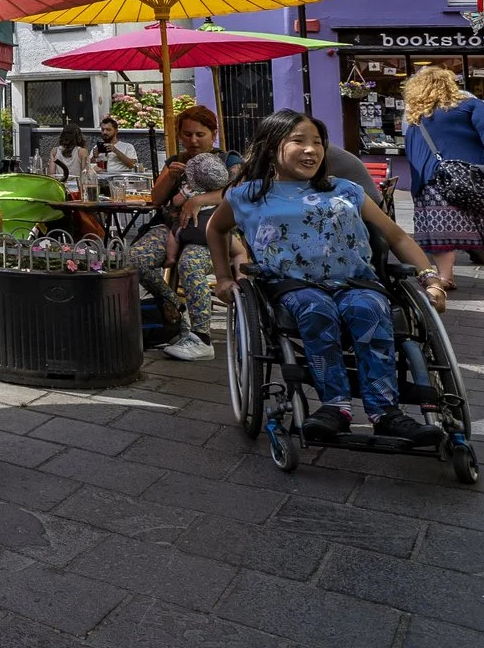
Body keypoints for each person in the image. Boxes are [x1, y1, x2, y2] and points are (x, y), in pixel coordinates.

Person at [208, 111, 441, 444]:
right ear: (272, 146)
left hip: (355, 282)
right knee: (317, 311)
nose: (311, 150)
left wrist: (430, 278)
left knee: (370, 311)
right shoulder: (249, 195)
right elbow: (215, 228)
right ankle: (335, 407)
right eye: (299, 141)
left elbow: (396, 236)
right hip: (294, 286)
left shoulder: (345, 190)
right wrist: (223, 277)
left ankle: (387, 413)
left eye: (317, 142)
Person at [401, 64, 484, 290]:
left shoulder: (414, 118)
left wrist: (419, 185)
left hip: (435, 180)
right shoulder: (471, 104)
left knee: (442, 229)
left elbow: (413, 152)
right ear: (450, 83)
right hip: (478, 174)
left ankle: (445, 277)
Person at [138, 105, 225, 359]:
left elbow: (238, 193)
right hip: (171, 230)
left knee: (190, 263)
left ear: (213, 133)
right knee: (134, 260)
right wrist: (169, 175)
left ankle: (201, 338)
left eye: (200, 134)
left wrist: (198, 200)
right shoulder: (176, 161)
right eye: (187, 135)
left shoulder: (228, 159)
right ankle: (174, 305)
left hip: (211, 233)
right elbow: (156, 199)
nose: (193, 141)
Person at [92, 117, 143, 193]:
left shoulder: (127, 146)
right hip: (101, 183)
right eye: (103, 130)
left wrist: (115, 150)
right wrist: (94, 156)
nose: (104, 132)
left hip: (120, 182)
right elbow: (90, 166)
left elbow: (133, 164)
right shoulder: (97, 148)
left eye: (108, 130)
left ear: (116, 131)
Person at [45, 118, 96, 193]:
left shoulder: (54, 151)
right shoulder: (82, 152)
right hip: (77, 189)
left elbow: (51, 174)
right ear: (79, 137)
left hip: (60, 188)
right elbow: (85, 174)